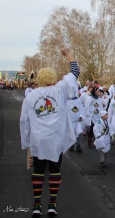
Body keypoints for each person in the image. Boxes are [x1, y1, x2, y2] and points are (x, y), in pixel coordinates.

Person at [20, 47, 80, 217]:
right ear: (53, 77)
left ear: (38, 79)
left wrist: (27, 143)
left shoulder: (31, 96)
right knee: (55, 170)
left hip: (38, 140)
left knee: (38, 172)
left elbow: (24, 121)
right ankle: (52, 204)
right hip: (56, 139)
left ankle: (37, 205)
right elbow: (75, 72)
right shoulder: (60, 90)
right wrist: (68, 53)